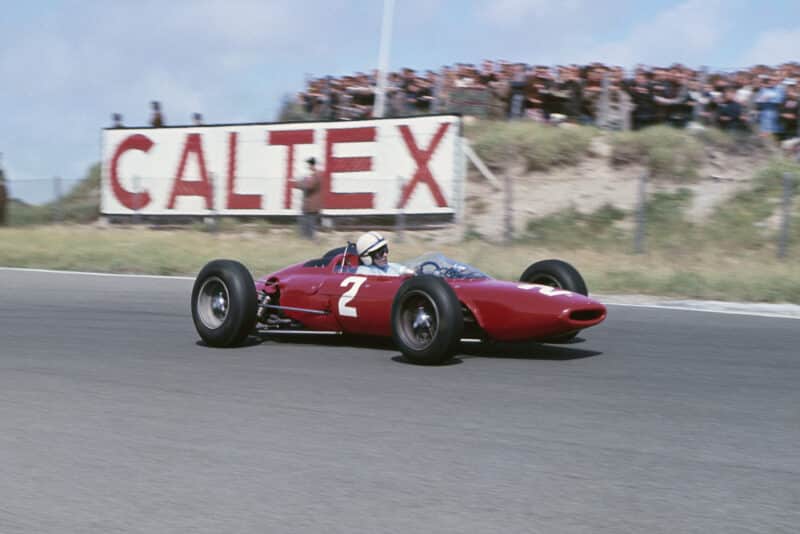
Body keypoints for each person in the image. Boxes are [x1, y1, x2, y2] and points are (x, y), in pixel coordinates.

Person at [291, 157, 322, 239]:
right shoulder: (314, 175)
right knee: (306, 223)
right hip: (309, 205)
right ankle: (306, 239)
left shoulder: (316, 175)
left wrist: (298, 183)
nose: (308, 166)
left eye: (309, 164)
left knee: (309, 224)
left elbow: (309, 185)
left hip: (311, 205)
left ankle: (309, 239)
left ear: (312, 165)